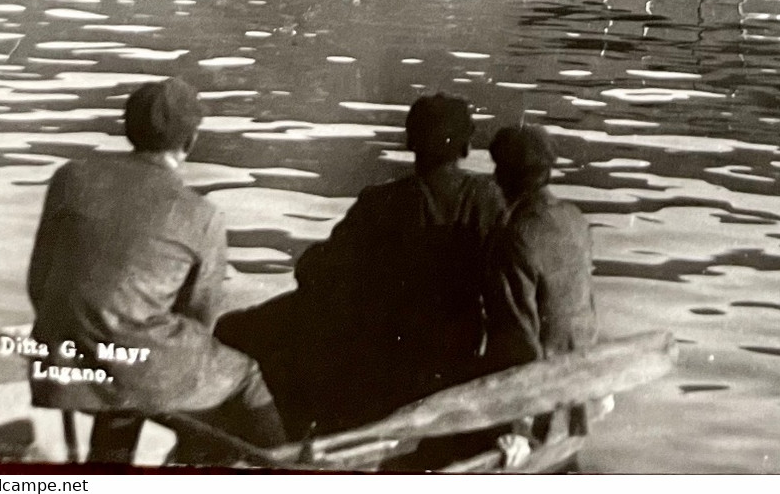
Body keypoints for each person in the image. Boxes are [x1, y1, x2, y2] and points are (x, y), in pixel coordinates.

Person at [25, 79, 286, 464]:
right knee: (245, 376)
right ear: (190, 141)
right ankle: (295, 471)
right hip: (126, 364)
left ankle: (106, 470)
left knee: (133, 363)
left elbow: (38, 283)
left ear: (127, 127)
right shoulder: (202, 214)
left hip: (57, 361)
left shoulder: (69, 178)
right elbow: (201, 318)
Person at [217, 93, 505, 437]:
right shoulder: (488, 202)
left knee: (233, 328)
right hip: (455, 353)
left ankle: (277, 433)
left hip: (387, 356)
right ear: (466, 147)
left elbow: (318, 271)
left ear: (410, 142)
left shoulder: (380, 202)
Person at [481, 124, 599, 468]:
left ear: (506, 176)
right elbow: (582, 306)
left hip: (539, 398)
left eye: (499, 170)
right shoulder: (574, 219)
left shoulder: (514, 235)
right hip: (576, 384)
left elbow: (518, 335)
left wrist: (518, 426)